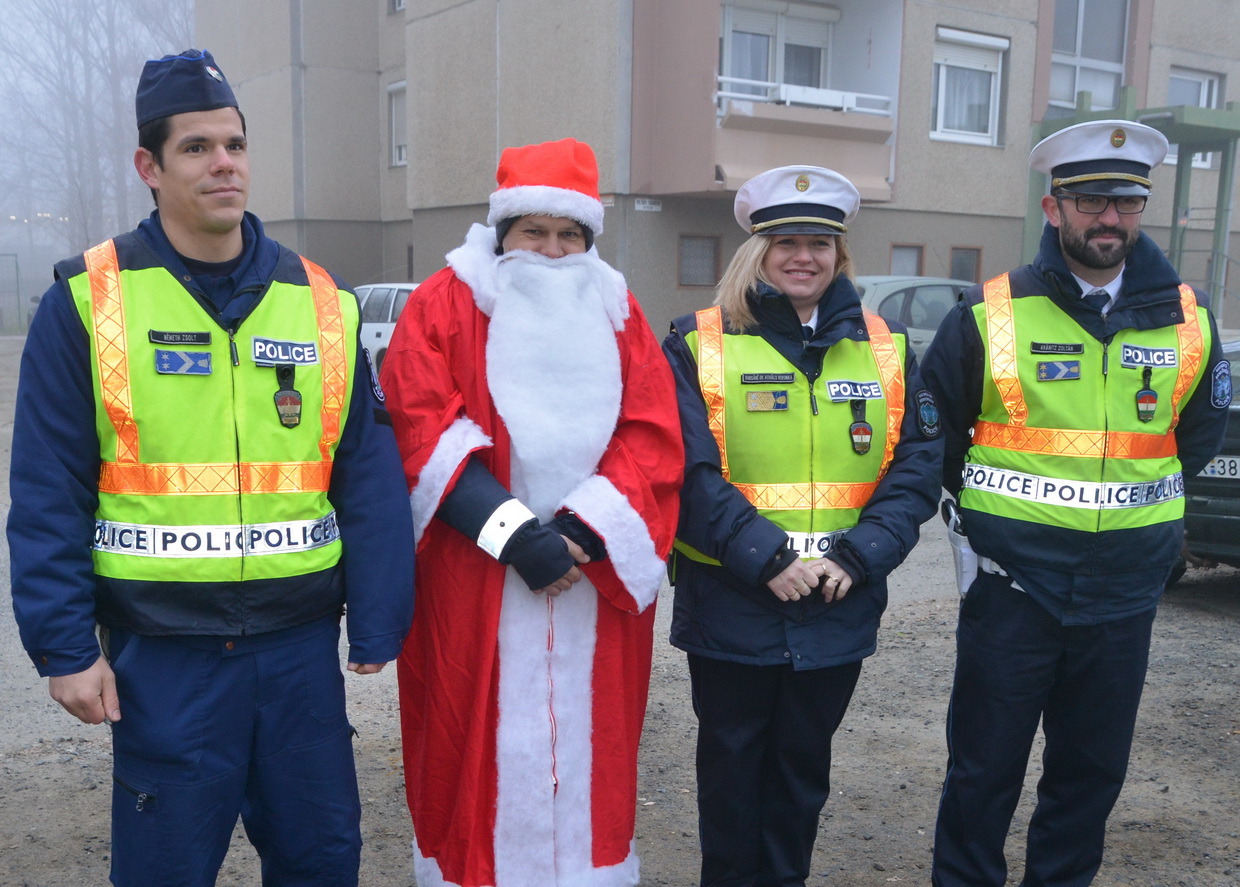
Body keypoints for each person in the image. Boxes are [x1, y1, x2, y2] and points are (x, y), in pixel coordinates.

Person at [7, 50, 415, 886]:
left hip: (298, 646)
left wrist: (379, 612)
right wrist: (61, 647)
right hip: (163, 656)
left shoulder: (321, 301)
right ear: (148, 167)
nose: (223, 162)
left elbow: (365, 470)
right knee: (163, 869)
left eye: (233, 144)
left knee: (323, 858)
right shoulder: (87, 302)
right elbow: (48, 488)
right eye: (195, 148)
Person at [921, 119, 1232, 887]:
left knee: (1089, 779)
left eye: (1127, 201)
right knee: (982, 773)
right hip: (1012, 588)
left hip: (1123, 595)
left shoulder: (1189, 319)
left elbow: (1191, 438)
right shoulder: (989, 312)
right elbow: (934, 433)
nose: (1110, 218)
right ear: (1053, 206)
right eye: (1091, 200)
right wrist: (985, 521)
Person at [378, 137, 683, 887]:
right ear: (502, 230)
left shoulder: (618, 310)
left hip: (590, 580)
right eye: (533, 231)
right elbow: (421, 426)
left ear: (588, 239)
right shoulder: (444, 302)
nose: (551, 250)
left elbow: (651, 431)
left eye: (568, 234)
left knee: (592, 746)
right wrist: (517, 538)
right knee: (465, 741)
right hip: (473, 572)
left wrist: (579, 532)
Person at [661, 165, 943, 887]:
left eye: (819, 242)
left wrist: (861, 556)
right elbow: (684, 471)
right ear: (754, 252)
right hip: (734, 599)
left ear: (839, 255)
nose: (802, 256)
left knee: (800, 778)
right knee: (730, 776)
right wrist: (765, 556)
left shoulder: (886, 349)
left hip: (836, 601)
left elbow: (915, 466)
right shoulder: (697, 343)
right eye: (784, 241)